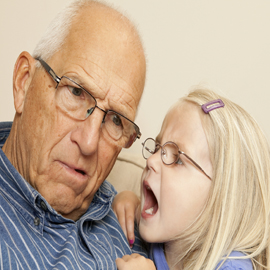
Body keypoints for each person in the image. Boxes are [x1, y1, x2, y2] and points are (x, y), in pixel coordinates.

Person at [0, 0, 148, 268]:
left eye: (116, 120)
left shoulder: (136, 222)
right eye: (76, 92)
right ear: (24, 82)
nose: (89, 142)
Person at [114, 88, 270, 270]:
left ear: (222, 198)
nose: (151, 160)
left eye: (177, 159)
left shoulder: (233, 265)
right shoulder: (163, 236)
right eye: (157, 148)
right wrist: (128, 201)